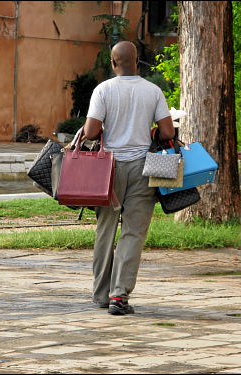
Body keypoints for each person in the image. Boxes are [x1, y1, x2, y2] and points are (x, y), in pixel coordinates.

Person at [82, 41, 175, 315]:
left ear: (113, 62)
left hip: (108, 170)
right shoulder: (153, 91)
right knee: (133, 232)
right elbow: (168, 132)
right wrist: (151, 133)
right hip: (143, 168)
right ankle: (119, 297)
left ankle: (100, 294)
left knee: (105, 230)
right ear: (137, 61)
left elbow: (90, 132)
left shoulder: (104, 89)